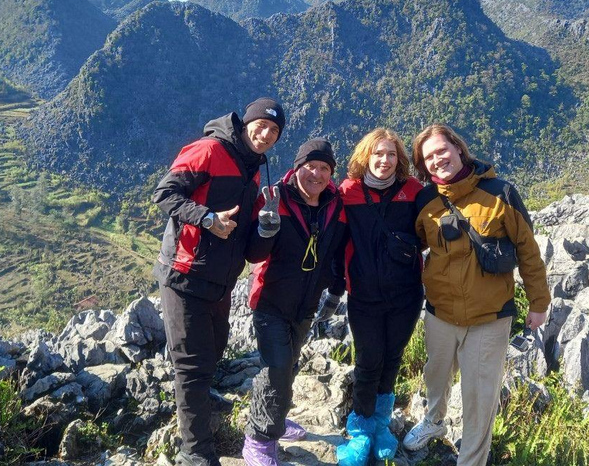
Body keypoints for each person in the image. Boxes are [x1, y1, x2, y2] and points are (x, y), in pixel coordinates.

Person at [403, 124, 551, 466]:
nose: (438, 159)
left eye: (442, 150)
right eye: (429, 158)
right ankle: (434, 422)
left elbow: (528, 251)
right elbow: (415, 244)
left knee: (479, 397)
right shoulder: (425, 202)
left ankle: (471, 460)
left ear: (458, 148)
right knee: (435, 376)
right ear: (423, 168)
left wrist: (539, 303)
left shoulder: (501, 194)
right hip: (440, 312)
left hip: (489, 317)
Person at [153, 98, 286, 466]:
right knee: (192, 367)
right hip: (184, 276)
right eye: (261, 125)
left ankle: (199, 403)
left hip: (221, 282)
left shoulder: (254, 169)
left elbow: (251, 252)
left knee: (213, 352)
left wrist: (267, 229)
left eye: (274, 131)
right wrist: (207, 218)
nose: (266, 134)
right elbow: (165, 193)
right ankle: (195, 452)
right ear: (246, 123)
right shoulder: (209, 150)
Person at [241, 138, 347, 466]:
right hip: (270, 300)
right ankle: (258, 439)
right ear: (298, 167)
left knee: (288, 366)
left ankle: (276, 419)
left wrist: (336, 291)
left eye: (324, 168)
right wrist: (266, 228)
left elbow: (338, 251)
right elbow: (254, 253)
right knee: (276, 369)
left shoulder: (335, 206)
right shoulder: (274, 199)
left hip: (306, 303)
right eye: (310, 166)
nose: (316, 173)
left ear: (331, 173)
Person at [326, 129, 424, 465]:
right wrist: (333, 287)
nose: (384, 160)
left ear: (400, 160)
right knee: (369, 360)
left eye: (391, 154)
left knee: (392, 358)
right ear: (365, 156)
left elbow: (428, 232)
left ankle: (381, 424)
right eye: (378, 154)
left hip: (407, 295)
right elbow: (336, 242)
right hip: (364, 295)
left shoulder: (412, 191)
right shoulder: (348, 192)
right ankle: (360, 429)